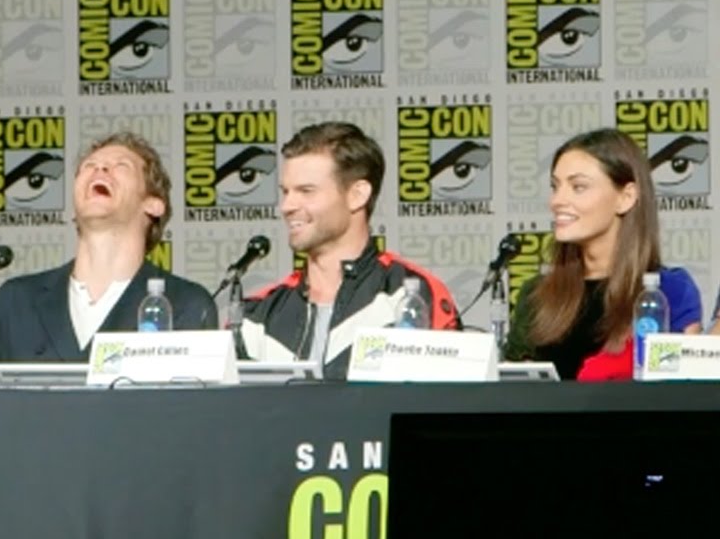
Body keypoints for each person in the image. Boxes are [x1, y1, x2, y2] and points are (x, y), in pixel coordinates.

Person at [241, 122, 460, 380]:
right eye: (286, 192)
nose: (287, 206)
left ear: (357, 195)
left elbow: (447, 399)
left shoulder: (411, 295)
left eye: (306, 191)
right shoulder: (257, 314)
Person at [0, 131, 217, 362]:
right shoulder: (16, 302)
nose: (99, 169)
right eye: (89, 166)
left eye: (121, 165)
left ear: (153, 205)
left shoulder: (185, 304)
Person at [505, 128, 702, 380]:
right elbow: (512, 390)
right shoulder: (535, 295)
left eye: (578, 187)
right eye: (555, 186)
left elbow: (683, 391)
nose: (557, 201)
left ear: (626, 197)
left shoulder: (668, 291)